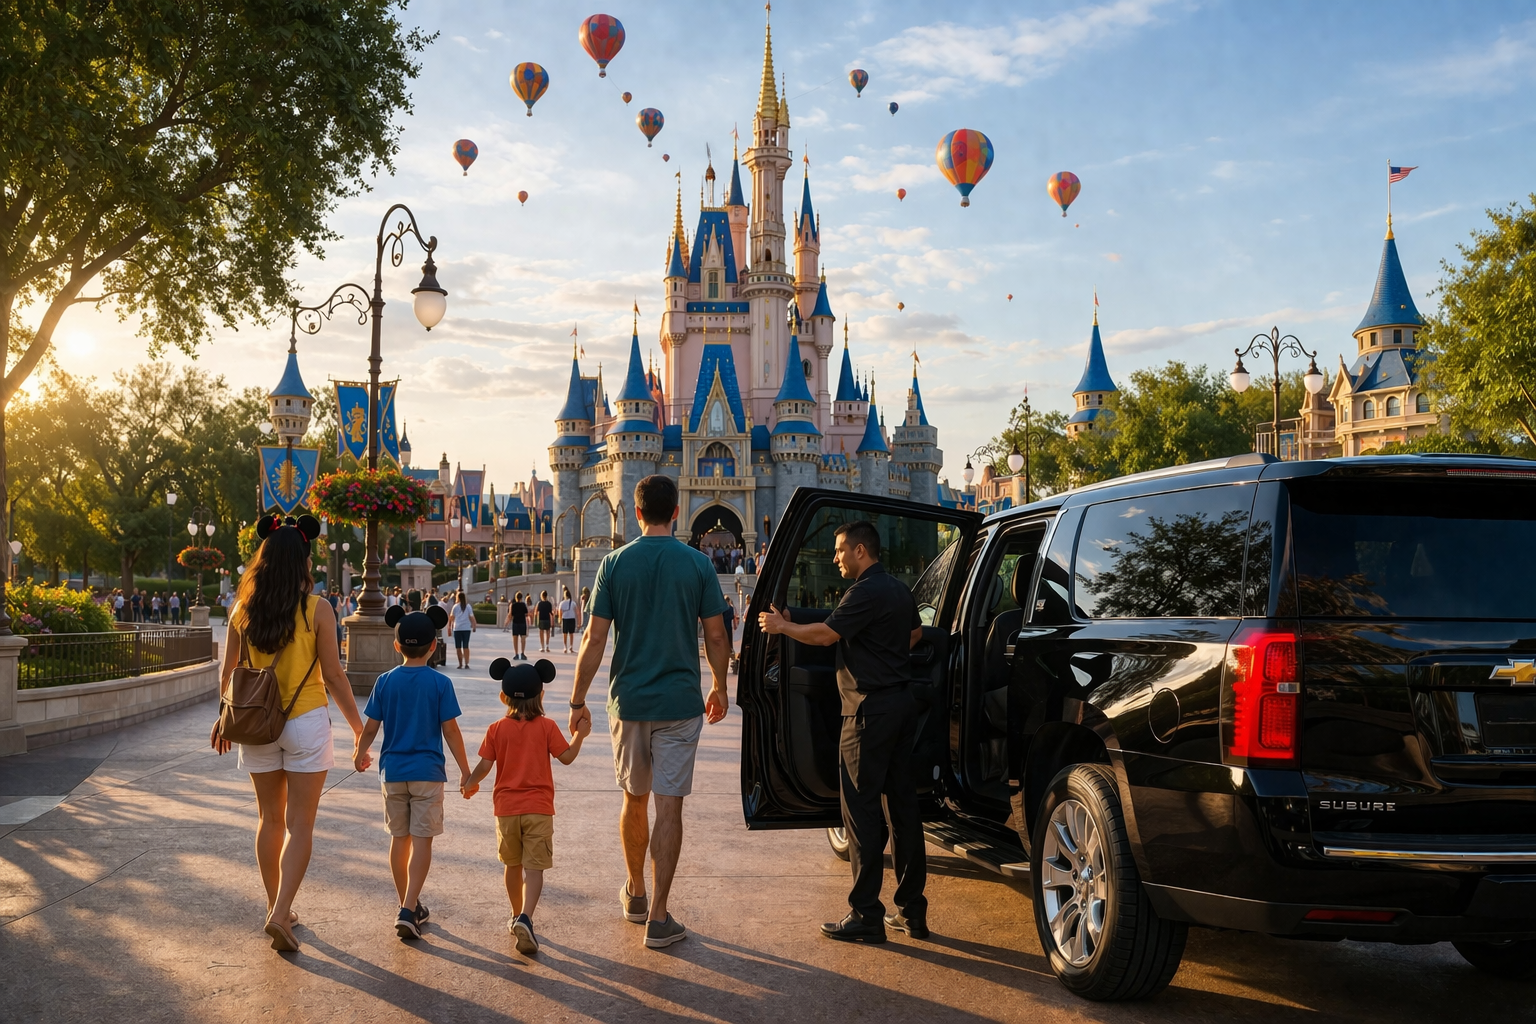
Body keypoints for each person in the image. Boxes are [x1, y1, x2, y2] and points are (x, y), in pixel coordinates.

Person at [570, 475, 731, 950]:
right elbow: (717, 636)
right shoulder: (699, 564)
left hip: (630, 702)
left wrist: (577, 701)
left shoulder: (614, 564)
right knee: (670, 806)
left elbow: (594, 639)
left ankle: (636, 893)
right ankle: (659, 917)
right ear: (677, 512)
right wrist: (720, 685)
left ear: (636, 513)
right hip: (680, 703)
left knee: (633, 799)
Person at [758, 520, 928, 944]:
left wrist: (783, 628)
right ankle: (912, 912)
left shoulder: (863, 592)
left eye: (839, 551)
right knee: (904, 812)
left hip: (867, 713)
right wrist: (882, 653)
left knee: (862, 814)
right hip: (903, 707)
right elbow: (916, 634)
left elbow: (825, 635)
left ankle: (866, 915)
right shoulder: (898, 589)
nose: (834, 558)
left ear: (859, 551)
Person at [209, 514, 371, 952]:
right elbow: (335, 677)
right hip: (304, 722)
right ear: (304, 561)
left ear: (262, 559)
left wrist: (223, 720)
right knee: (301, 825)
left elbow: (229, 674)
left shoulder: (241, 610)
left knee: (269, 820)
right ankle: (282, 911)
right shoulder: (318, 609)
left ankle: (274, 907)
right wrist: (360, 731)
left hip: (255, 723)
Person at [353, 605, 471, 940]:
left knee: (398, 840)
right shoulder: (440, 683)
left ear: (397, 645)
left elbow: (372, 728)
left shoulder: (385, 681)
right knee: (422, 842)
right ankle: (408, 908)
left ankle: (410, 904)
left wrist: (360, 754)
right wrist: (465, 771)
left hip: (392, 773)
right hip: (428, 773)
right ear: (434, 645)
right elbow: (451, 732)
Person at [463, 657, 590, 955]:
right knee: (534, 868)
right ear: (542, 695)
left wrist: (469, 782)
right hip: (539, 808)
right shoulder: (546, 727)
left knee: (512, 864)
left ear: (503, 697)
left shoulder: (496, 729)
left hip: (506, 810)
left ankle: (515, 912)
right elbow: (567, 757)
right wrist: (579, 735)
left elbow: (484, 765)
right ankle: (527, 917)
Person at [450, 590, 477, 670]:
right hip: (466, 628)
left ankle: (460, 663)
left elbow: (452, 617)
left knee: (458, 647)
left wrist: (450, 626)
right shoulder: (468, 606)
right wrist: (474, 626)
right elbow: (471, 617)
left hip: (457, 628)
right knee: (466, 646)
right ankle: (466, 663)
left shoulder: (455, 606)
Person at [558, 587, 578, 654]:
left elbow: (560, 612)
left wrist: (560, 619)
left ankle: (565, 647)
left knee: (565, 633)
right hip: (572, 618)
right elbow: (576, 612)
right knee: (571, 633)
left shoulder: (562, 603)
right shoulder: (573, 603)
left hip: (565, 619)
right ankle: (571, 647)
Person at [510, 592, 528, 660]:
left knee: (515, 639)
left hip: (515, 622)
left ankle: (516, 654)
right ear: (521, 598)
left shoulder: (513, 605)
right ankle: (522, 653)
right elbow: (526, 614)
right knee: (523, 639)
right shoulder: (523, 605)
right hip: (522, 622)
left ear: (516, 597)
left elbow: (511, 615)